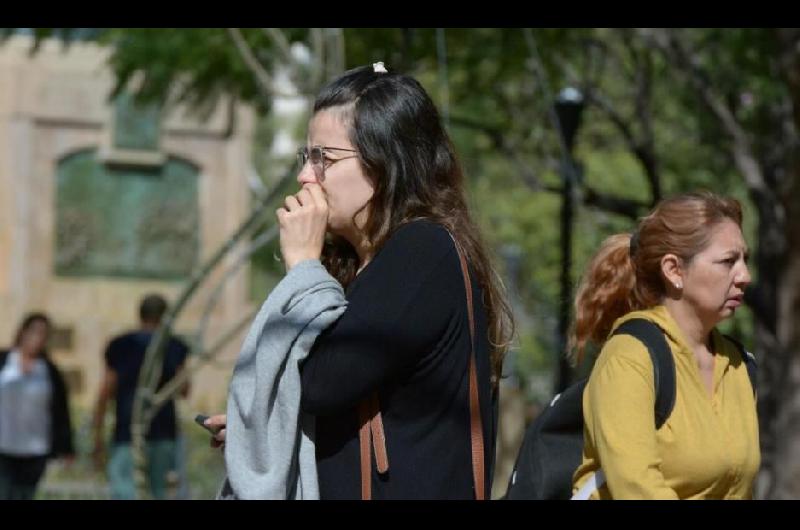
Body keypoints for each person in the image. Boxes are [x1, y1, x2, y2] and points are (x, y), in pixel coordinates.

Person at [206, 62, 514, 499]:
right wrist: (259, 431)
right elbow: (337, 391)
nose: (305, 176)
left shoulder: (422, 252)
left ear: (386, 161)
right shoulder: (363, 264)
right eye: (306, 156)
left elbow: (320, 384)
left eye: (324, 159)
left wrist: (303, 271)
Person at [570, 191, 759, 499]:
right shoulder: (630, 356)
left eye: (745, 260)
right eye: (728, 262)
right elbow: (636, 488)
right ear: (674, 270)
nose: (745, 276)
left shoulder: (740, 365)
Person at [93, 293, 190, 499]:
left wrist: (98, 434)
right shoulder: (172, 345)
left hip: (126, 431)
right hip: (163, 432)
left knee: (126, 491)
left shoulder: (121, 345)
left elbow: (105, 392)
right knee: (160, 493)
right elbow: (184, 390)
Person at [0, 312, 74, 500]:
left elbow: (60, 411)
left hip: (35, 448)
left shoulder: (48, 370)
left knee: (25, 495)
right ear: (23, 332)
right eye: (34, 332)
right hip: (4, 445)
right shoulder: (5, 362)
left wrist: (66, 447)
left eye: (43, 334)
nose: (37, 338)